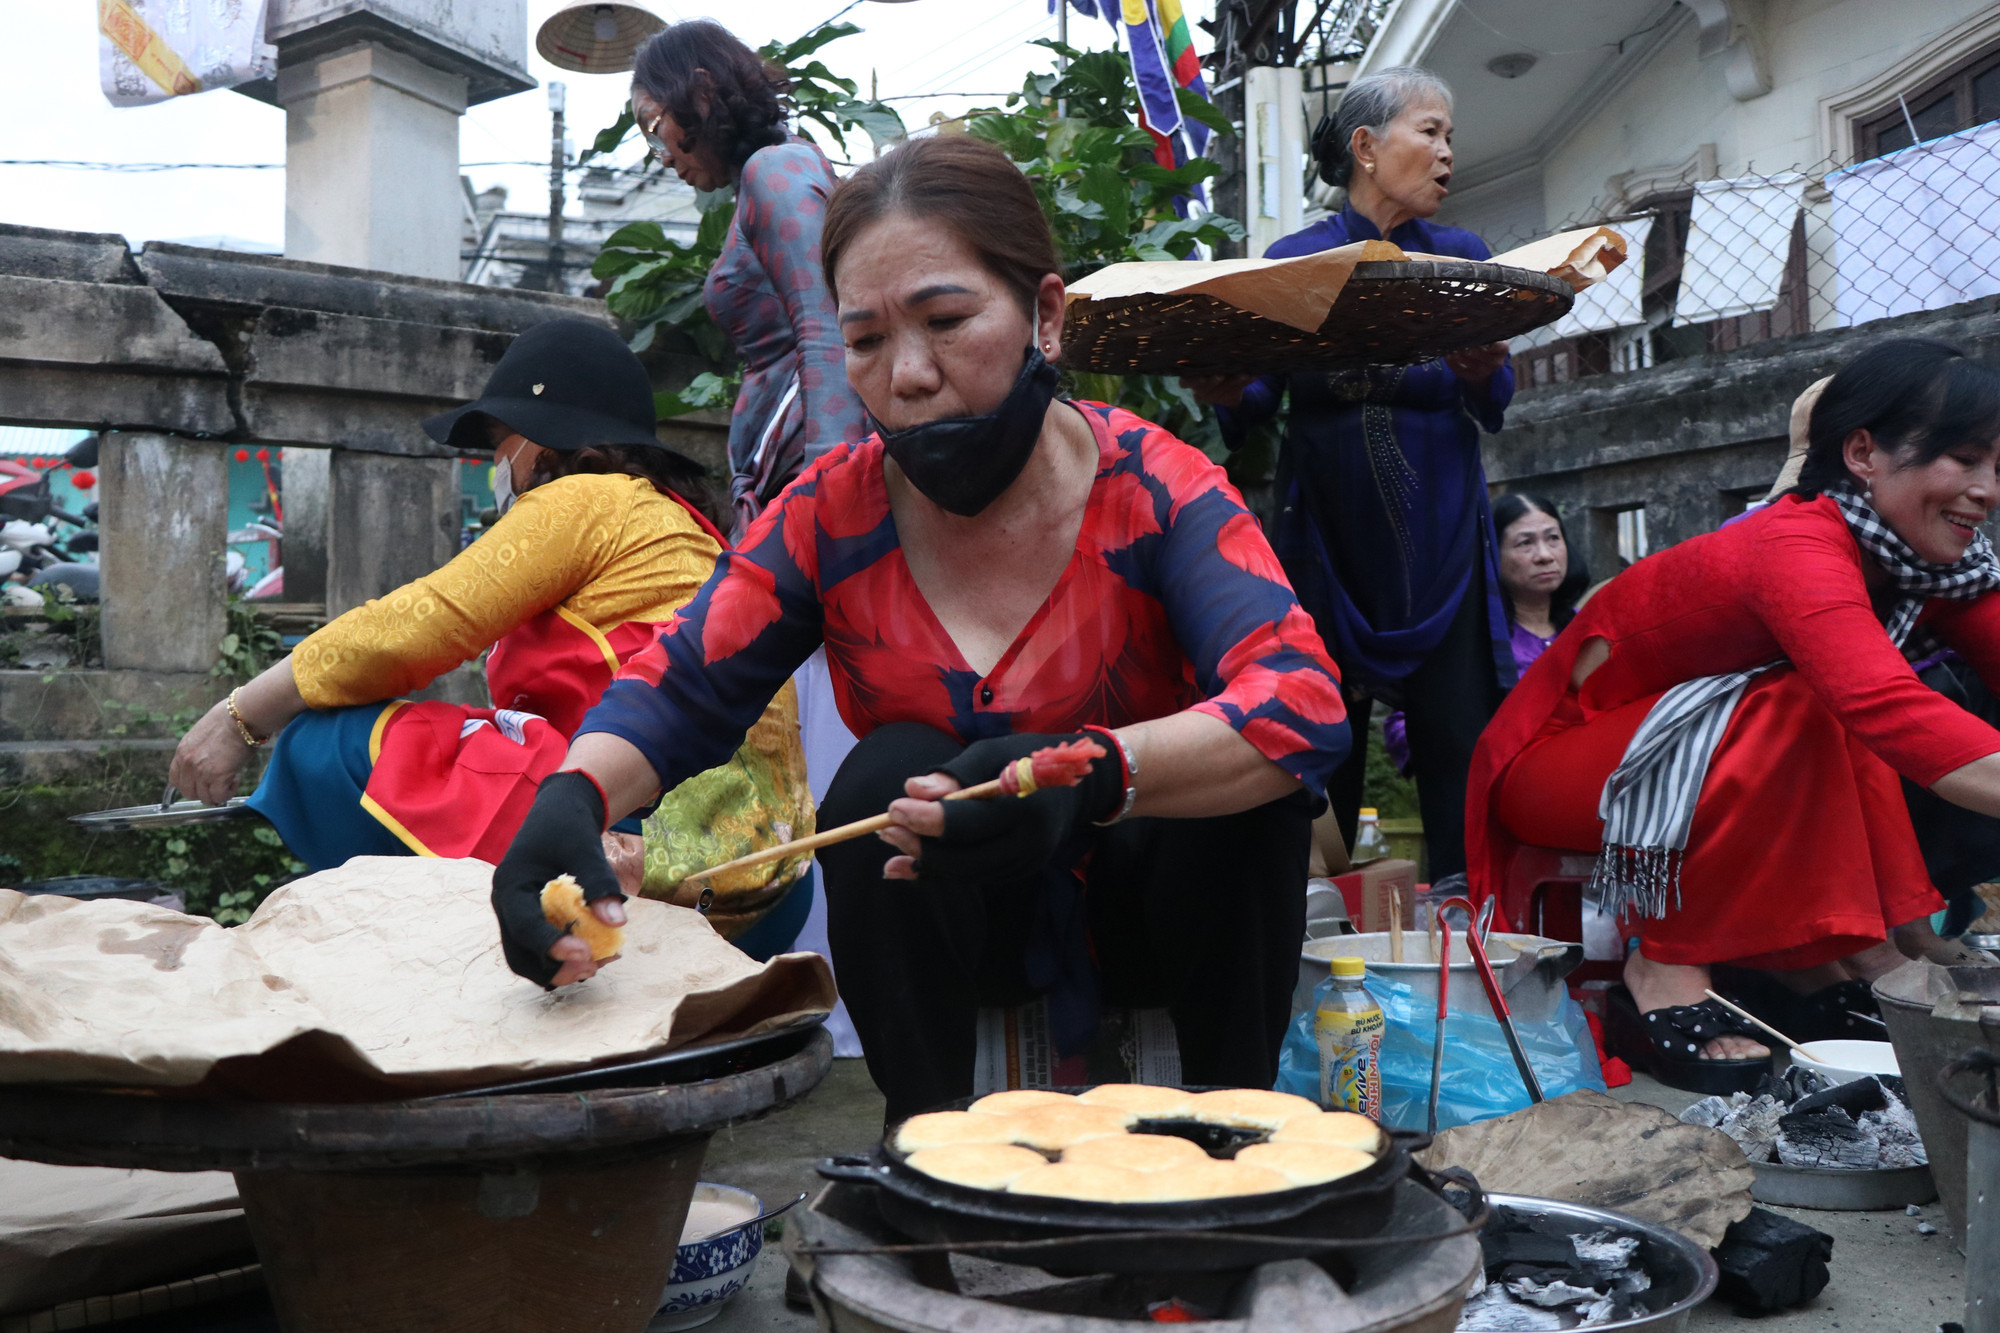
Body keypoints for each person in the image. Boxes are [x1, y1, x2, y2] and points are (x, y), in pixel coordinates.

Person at [486, 136, 1351, 1121]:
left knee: (1248, 802)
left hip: (1158, 922)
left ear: (1046, 314)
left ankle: (1238, 1135)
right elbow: (683, 683)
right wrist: (572, 799)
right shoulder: (829, 516)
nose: (906, 376)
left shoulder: (1157, 490)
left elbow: (1301, 704)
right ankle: (925, 1150)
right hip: (959, 926)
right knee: (883, 772)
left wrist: (1086, 776)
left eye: (946, 320)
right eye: (862, 342)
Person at [167, 319, 815, 954]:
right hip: (769, 888)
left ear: (571, 453)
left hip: (637, 857)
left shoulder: (595, 497)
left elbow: (414, 629)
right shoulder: (685, 526)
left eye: (505, 446)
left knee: (326, 744)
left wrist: (243, 715)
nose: (496, 469)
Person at [1467, 339, 2000, 1093]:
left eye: (1998, 468)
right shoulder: (1797, 541)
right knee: (1819, 698)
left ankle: (1830, 958)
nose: (1987, 490)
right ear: (1863, 453)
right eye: (1964, 458)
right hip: (1556, 766)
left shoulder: (1929, 561)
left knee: (1883, 704)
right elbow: (1885, 707)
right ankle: (1666, 961)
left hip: (1691, 758)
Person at [1186, 66, 1513, 882]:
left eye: (1449, 138)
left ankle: (1462, 937)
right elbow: (1257, 396)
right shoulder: (1295, 260)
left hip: (1441, 544)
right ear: (1366, 147)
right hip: (1327, 537)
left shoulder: (1462, 257)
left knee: (1458, 736)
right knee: (1320, 731)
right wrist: (1225, 389)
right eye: (1429, 132)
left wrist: (1478, 368)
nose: (1446, 154)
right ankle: (1311, 928)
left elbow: (1494, 398)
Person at [631, 19, 868, 537]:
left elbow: (828, 326)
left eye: (653, 127)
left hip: (807, 493)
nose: (663, 156)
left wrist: (830, 493)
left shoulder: (776, 170)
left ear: (702, 91)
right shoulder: (769, 175)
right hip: (787, 484)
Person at [1386, 493, 1587, 771]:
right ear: (1492, 554)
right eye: (1525, 543)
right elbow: (1404, 724)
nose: (1544, 555)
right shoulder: (1472, 641)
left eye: (1553, 538)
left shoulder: (1586, 629)